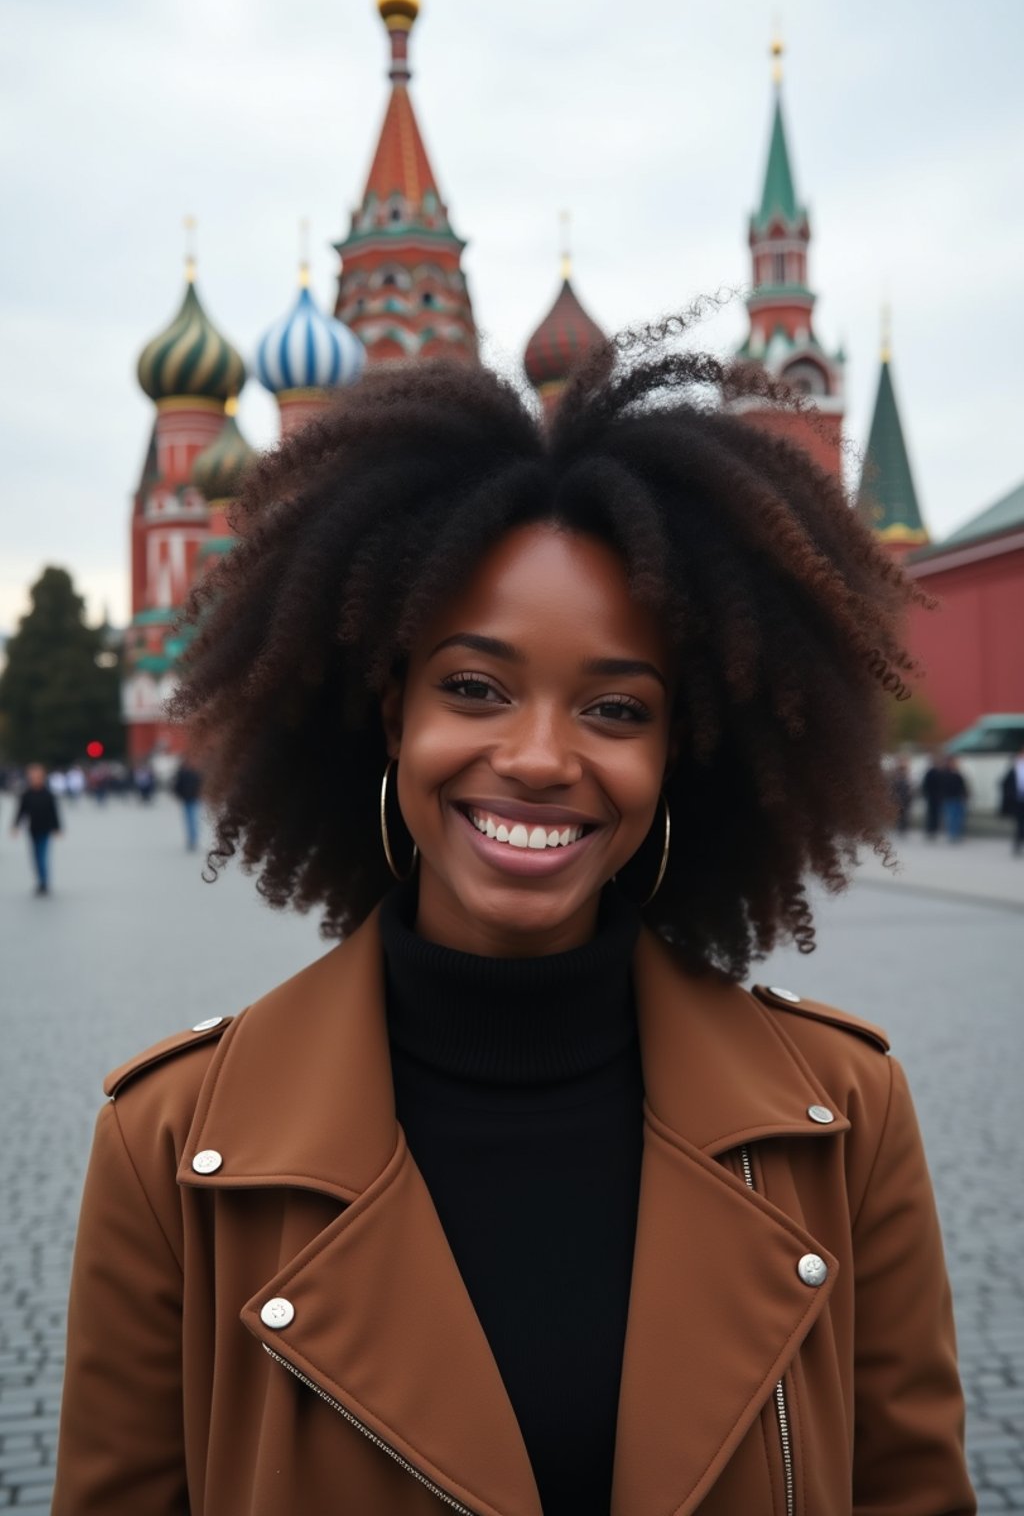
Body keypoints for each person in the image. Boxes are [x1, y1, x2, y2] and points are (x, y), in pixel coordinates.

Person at [53, 344, 974, 1515]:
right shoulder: (170, 1151)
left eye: (613, 708)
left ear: (677, 750)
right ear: (392, 714)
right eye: (475, 688)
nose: (540, 759)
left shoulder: (844, 1124)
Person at [11, 762, 62, 894]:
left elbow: (54, 812)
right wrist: (15, 826)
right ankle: (40, 880)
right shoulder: (26, 794)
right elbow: (21, 811)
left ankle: (44, 882)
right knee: (35, 856)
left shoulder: (48, 794)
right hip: (33, 829)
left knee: (42, 856)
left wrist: (57, 827)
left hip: (45, 829)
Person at [171, 757, 203, 851]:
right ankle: (191, 839)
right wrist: (179, 795)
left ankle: (194, 839)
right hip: (186, 800)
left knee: (193, 820)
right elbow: (177, 787)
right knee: (189, 820)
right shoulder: (182, 775)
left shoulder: (195, 775)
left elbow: (199, 786)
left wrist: (198, 795)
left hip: (193, 800)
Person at [1000, 747, 1024, 855]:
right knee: (1020, 824)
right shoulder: (1014, 767)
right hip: (1018, 800)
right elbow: (1004, 783)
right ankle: (1017, 844)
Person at [942, 754, 969, 843]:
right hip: (950, 798)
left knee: (959, 816)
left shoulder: (957, 773)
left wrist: (965, 794)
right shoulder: (945, 773)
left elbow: (962, 785)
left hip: (958, 798)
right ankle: (952, 834)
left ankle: (957, 833)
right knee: (952, 817)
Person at [921, 752, 945, 839]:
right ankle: (931, 830)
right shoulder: (931, 772)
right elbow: (926, 785)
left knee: (936, 814)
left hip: (937, 797)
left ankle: (934, 829)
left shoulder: (940, 772)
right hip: (932, 797)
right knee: (931, 814)